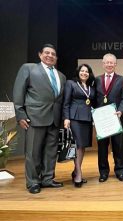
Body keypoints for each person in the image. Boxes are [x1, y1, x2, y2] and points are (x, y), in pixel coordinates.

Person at [13, 43, 66, 194]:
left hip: (54, 119)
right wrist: (20, 113)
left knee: (51, 151)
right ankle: (33, 182)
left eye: (53, 54)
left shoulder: (61, 76)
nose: (50, 56)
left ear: (56, 58)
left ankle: (47, 179)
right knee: (33, 152)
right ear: (40, 54)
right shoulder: (29, 68)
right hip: (34, 117)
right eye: (47, 53)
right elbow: (19, 92)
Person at [95, 53, 123, 182]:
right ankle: (103, 172)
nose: (109, 64)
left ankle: (120, 171)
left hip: (116, 118)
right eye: (106, 62)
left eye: (111, 62)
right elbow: (93, 98)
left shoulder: (122, 79)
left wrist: (120, 111)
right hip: (101, 120)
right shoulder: (96, 80)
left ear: (115, 64)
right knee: (102, 148)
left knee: (118, 146)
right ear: (103, 64)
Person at [63, 64, 95, 187]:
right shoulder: (71, 83)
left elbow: (93, 103)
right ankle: (78, 173)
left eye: (87, 71)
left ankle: (76, 170)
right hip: (74, 118)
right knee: (77, 145)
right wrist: (66, 118)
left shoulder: (91, 87)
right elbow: (66, 102)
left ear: (89, 74)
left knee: (82, 146)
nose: (84, 73)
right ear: (78, 72)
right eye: (82, 71)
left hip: (87, 118)